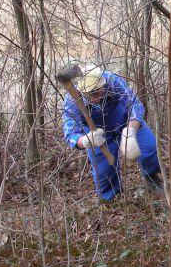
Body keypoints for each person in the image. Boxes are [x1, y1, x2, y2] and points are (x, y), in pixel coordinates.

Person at [62, 64, 163, 200]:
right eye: (89, 95)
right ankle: (111, 200)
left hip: (125, 122)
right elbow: (70, 134)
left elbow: (135, 104)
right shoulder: (72, 101)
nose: (94, 98)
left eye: (97, 92)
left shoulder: (112, 81)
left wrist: (130, 131)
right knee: (104, 173)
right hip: (97, 136)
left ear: (103, 85)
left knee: (149, 147)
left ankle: (152, 179)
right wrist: (85, 140)